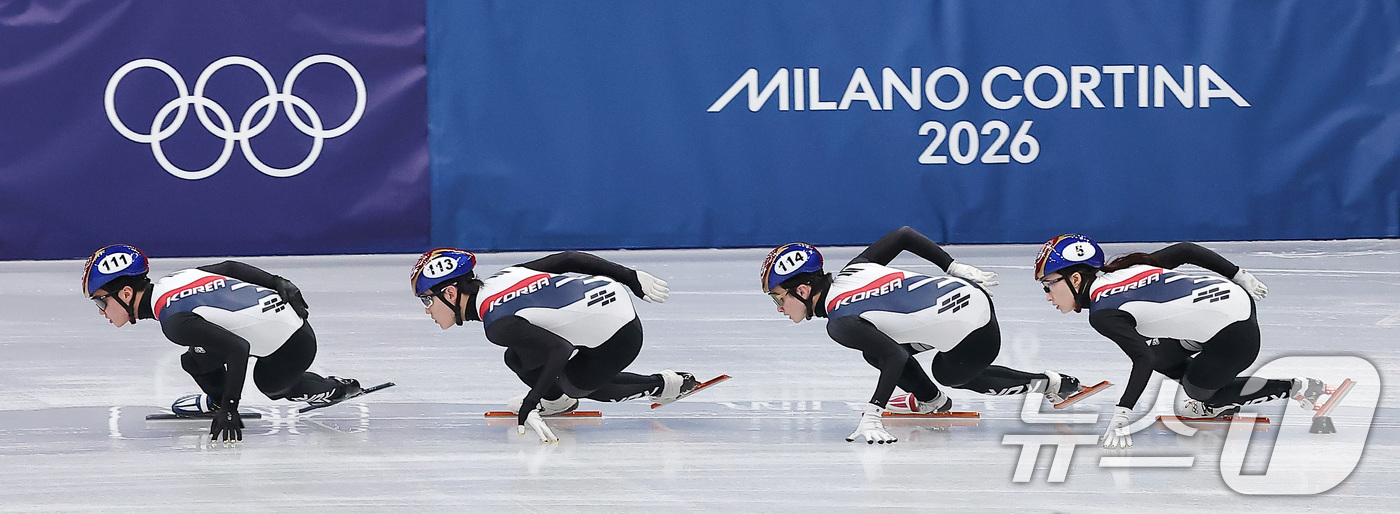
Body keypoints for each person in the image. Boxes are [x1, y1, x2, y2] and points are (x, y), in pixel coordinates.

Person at [761, 226, 1092, 445]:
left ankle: (1050, 383)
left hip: (973, 329)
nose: (779, 307)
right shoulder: (855, 268)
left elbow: (896, 356)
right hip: (967, 298)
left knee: (950, 373)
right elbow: (904, 235)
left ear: (803, 289)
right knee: (873, 349)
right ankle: (932, 401)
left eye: (778, 297)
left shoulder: (840, 321)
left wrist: (875, 412)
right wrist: (953, 266)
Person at [1032, 234, 1327, 449]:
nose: (1047, 296)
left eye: (1049, 285)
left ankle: (1295, 387)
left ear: (1076, 280)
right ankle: (1201, 362)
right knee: (1154, 348)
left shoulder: (1103, 312)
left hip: (1235, 334)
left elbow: (1141, 361)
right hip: (1230, 302)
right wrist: (1239, 275)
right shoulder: (1121, 269)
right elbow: (1185, 249)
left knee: (1196, 393)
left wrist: (1123, 414)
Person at [409, 248, 700, 443]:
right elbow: (568, 259)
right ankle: (557, 401)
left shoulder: (497, 323)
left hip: (619, 333)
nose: (427, 310)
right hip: (609, 298)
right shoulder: (504, 276)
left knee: (574, 383)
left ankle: (665, 385)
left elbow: (559, 349)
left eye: (427, 300)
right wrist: (630, 277)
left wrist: (531, 401)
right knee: (517, 357)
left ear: (449, 292)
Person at [82, 244, 363, 443]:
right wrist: (279, 281)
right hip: (279, 322)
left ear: (127, 293)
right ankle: (216, 401)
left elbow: (237, 349)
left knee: (271, 386)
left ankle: (333, 388)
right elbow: (229, 267)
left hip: (292, 343)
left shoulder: (174, 322)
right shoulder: (174, 280)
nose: (99, 310)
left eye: (100, 300)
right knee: (194, 360)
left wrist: (231, 408)